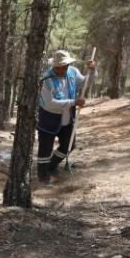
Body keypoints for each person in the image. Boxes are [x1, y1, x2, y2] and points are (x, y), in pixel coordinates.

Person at [37, 49, 97, 184]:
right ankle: (43, 176)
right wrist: (74, 102)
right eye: (58, 67)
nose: (61, 70)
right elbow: (49, 103)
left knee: (69, 145)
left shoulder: (73, 72)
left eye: (64, 67)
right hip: (48, 119)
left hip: (68, 119)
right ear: (54, 66)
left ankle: (52, 166)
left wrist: (92, 71)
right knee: (45, 150)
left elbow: (85, 82)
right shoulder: (46, 79)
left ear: (68, 65)